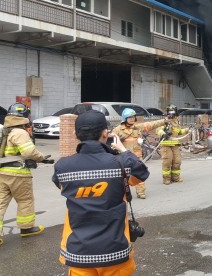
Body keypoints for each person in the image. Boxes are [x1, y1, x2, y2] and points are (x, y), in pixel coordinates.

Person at [52, 109, 149, 274]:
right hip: (115, 250)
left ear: (76, 134)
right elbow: (141, 174)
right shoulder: (121, 164)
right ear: (106, 133)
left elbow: (62, 186)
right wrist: (123, 150)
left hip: (79, 253)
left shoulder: (62, 167)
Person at [0, 103, 52, 246]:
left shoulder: (4, 131)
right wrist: (41, 157)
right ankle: (27, 228)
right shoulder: (19, 132)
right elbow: (28, 152)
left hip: (2, 173)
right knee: (25, 201)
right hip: (18, 174)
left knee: (1, 203)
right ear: (24, 116)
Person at [112, 108, 167, 199]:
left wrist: (164, 121)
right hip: (123, 158)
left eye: (134, 117)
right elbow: (112, 144)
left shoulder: (137, 127)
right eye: (130, 117)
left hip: (136, 157)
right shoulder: (117, 130)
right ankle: (121, 194)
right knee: (122, 177)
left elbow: (151, 124)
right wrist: (119, 140)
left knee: (139, 175)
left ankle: (141, 192)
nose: (132, 119)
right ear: (125, 118)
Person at [155, 104, 188, 185]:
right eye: (170, 112)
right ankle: (166, 179)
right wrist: (163, 134)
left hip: (175, 145)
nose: (171, 114)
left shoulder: (177, 121)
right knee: (167, 162)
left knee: (177, 161)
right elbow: (158, 130)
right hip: (166, 145)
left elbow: (179, 132)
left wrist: (187, 130)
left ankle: (176, 177)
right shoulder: (164, 121)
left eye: (173, 112)